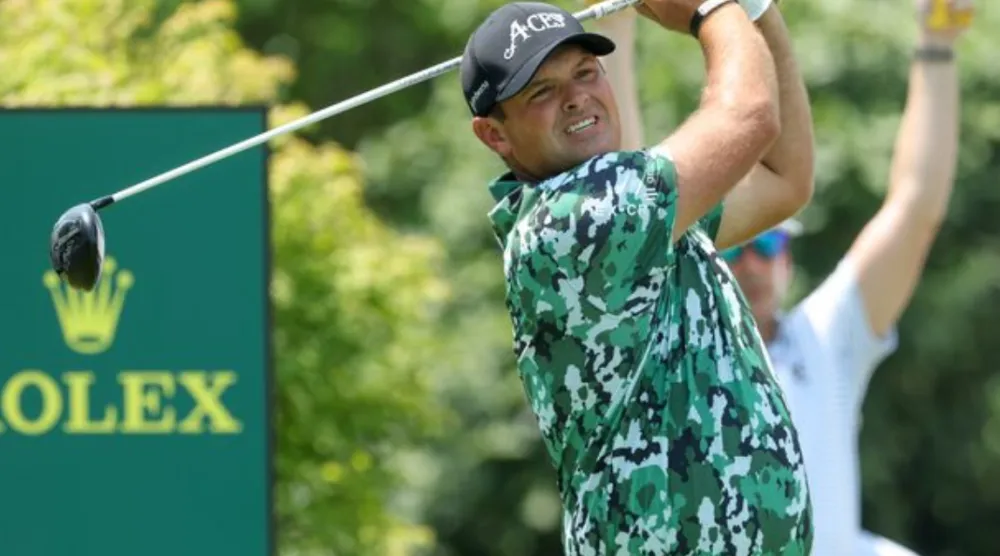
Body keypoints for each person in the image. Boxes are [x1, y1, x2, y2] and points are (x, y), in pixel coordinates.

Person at [591, 0, 972, 554]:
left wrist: (938, 44)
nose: (753, 262)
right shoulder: (667, 346)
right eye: (737, 246)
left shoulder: (824, 341)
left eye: (770, 242)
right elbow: (634, 218)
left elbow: (915, 207)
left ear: (789, 258)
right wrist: (615, 23)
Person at [460, 0, 816, 553]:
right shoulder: (574, 221)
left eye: (585, 71)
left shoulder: (641, 211)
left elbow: (784, 177)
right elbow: (749, 115)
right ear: (495, 136)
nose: (576, 95)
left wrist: (758, 9)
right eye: (541, 91)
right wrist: (710, 10)